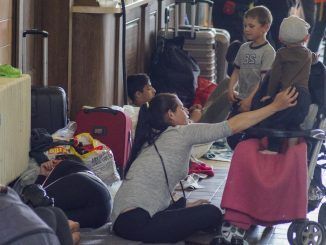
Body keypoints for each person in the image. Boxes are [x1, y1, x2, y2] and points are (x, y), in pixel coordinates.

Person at [111, 87, 298, 243]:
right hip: (136, 222)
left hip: (124, 220)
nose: (187, 112)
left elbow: (154, 187)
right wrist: (275, 106)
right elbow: (233, 126)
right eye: (182, 109)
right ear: (171, 115)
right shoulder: (181, 133)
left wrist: (183, 206)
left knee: (201, 210)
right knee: (211, 213)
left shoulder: (153, 139)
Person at [254, 15, 317, 151]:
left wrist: (270, 94)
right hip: (304, 96)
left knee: (277, 121)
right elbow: (315, 60)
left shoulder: (281, 54)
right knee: (294, 122)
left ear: (281, 39)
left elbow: (274, 76)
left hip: (286, 94)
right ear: (306, 38)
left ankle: (273, 149)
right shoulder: (307, 54)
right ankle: (292, 149)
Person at [34, 156, 112, 229]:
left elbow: (36, 196)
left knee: (30, 206)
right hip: (103, 212)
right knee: (43, 220)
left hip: (86, 185)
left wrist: (42, 176)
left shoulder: (65, 164)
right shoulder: (86, 175)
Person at [228, 5, 275, 114]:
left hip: (256, 101)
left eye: (251, 26)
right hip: (240, 97)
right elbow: (236, 71)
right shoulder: (244, 47)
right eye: (245, 26)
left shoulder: (268, 51)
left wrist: (249, 100)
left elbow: (263, 80)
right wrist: (231, 89)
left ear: (265, 27)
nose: (246, 29)